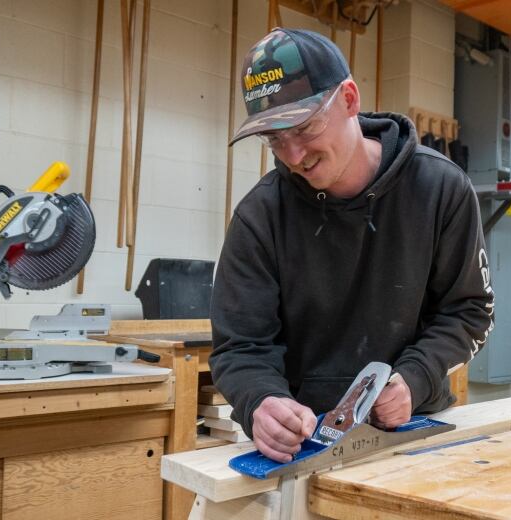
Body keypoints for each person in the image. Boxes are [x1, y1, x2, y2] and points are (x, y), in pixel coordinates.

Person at [209, 28, 494, 463]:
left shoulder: (440, 188)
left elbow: (469, 311)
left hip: (411, 431)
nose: (293, 154)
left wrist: (415, 378)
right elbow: (240, 347)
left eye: (303, 128)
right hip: (303, 448)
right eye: (274, 139)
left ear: (348, 99)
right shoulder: (260, 216)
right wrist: (260, 401)